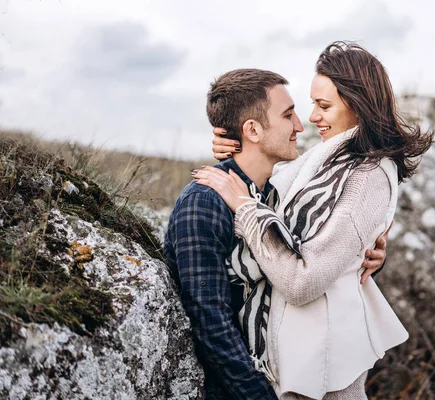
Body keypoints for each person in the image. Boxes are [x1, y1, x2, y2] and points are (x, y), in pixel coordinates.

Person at [193, 41, 434, 399]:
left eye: (324, 106)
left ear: (359, 106)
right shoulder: (328, 160)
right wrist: (237, 143)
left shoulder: (367, 174)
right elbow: (289, 202)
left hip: (323, 372)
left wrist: (246, 210)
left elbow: (304, 282)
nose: (312, 118)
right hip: (296, 354)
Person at [164, 68, 388, 400]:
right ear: (252, 129)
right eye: (288, 115)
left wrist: (366, 252)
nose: (301, 124)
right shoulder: (204, 203)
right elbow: (211, 325)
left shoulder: (279, 193)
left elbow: (310, 249)